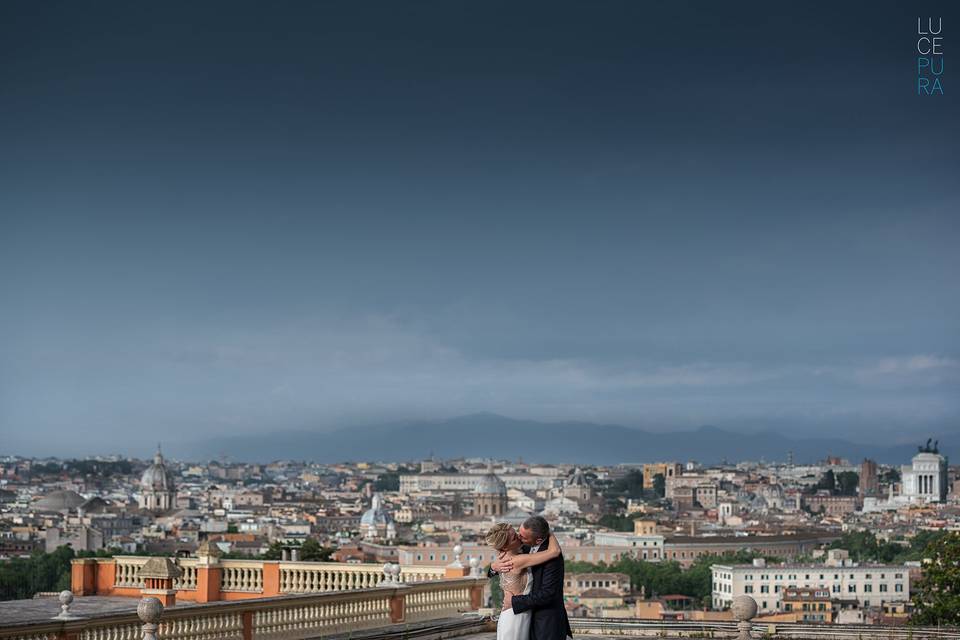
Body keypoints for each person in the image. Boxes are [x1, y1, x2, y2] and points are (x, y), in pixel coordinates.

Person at [492, 516, 573, 640]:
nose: (519, 537)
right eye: (518, 533)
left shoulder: (552, 559)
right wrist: (494, 567)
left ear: (538, 540)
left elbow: (548, 594)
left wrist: (514, 601)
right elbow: (494, 572)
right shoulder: (523, 548)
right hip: (522, 615)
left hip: (545, 623)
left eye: (523, 536)